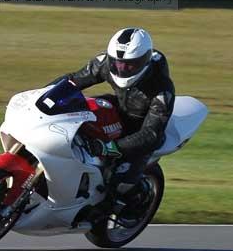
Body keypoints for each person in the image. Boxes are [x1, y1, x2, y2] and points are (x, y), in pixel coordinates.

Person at [51, 27, 175, 211]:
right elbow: (73, 81)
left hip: (141, 131)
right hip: (118, 107)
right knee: (82, 107)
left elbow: (151, 134)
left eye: (129, 64)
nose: (122, 68)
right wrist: (43, 95)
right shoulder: (105, 63)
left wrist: (109, 148)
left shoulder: (161, 88)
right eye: (117, 63)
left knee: (118, 183)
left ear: (144, 61)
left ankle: (127, 206)